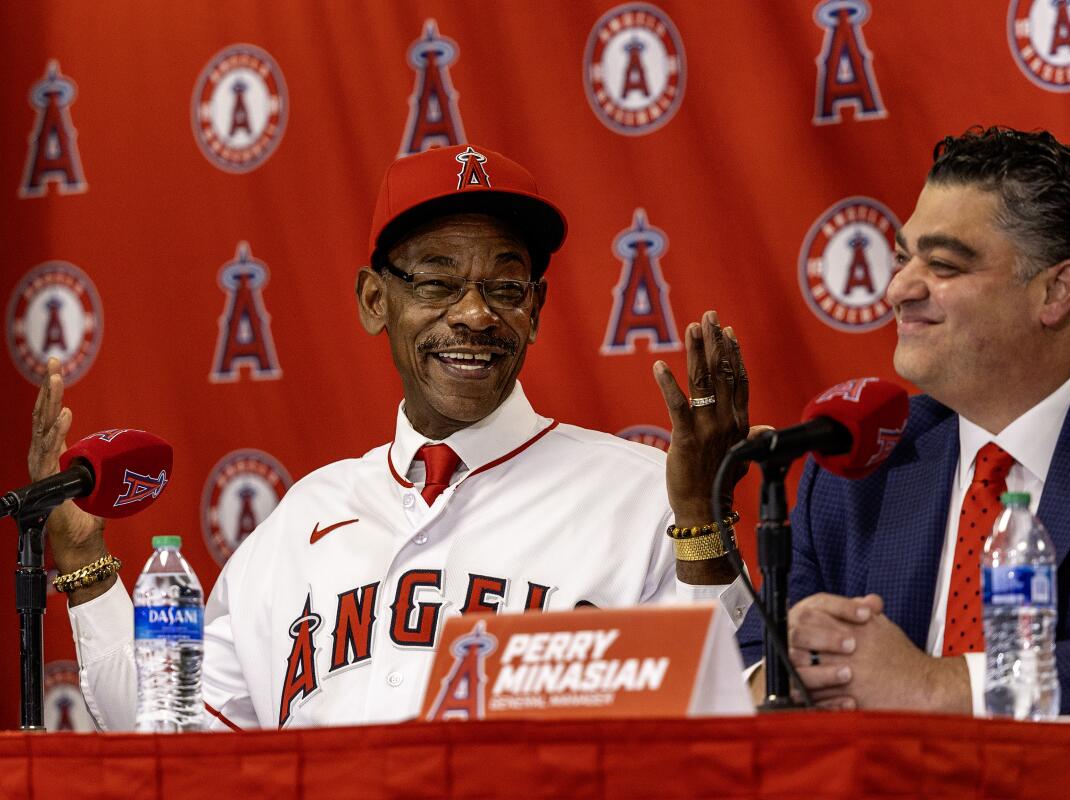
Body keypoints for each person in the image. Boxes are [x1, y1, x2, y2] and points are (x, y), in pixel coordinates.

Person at [31, 144, 749, 730]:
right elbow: (173, 723)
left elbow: (704, 709)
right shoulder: (303, 518)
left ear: (537, 307)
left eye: (506, 287)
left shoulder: (644, 491)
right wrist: (85, 560)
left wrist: (701, 524)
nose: (475, 314)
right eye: (438, 283)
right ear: (377, 302)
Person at [739, 126, 1070, 716]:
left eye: (945, 265)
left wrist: (940, 688)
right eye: (905, 259)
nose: (898, 288)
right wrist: (784, 673)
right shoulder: (861, 468)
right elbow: (749, 661)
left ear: (1056, 291)